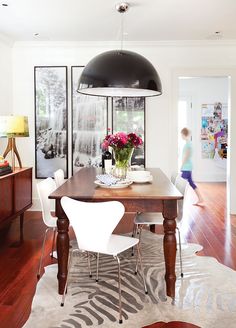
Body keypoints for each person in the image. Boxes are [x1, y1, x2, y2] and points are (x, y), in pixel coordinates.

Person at [180, 127, 204, 206]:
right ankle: (200, 198)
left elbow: (186, 156)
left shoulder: (188, 144)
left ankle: (179, 200)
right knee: (190, 183)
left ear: (184, 134)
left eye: (181, 135)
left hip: (186, 167)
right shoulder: (188, 143)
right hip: (188, 167)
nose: (181, 136)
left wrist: (182, 165)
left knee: (180, 184)